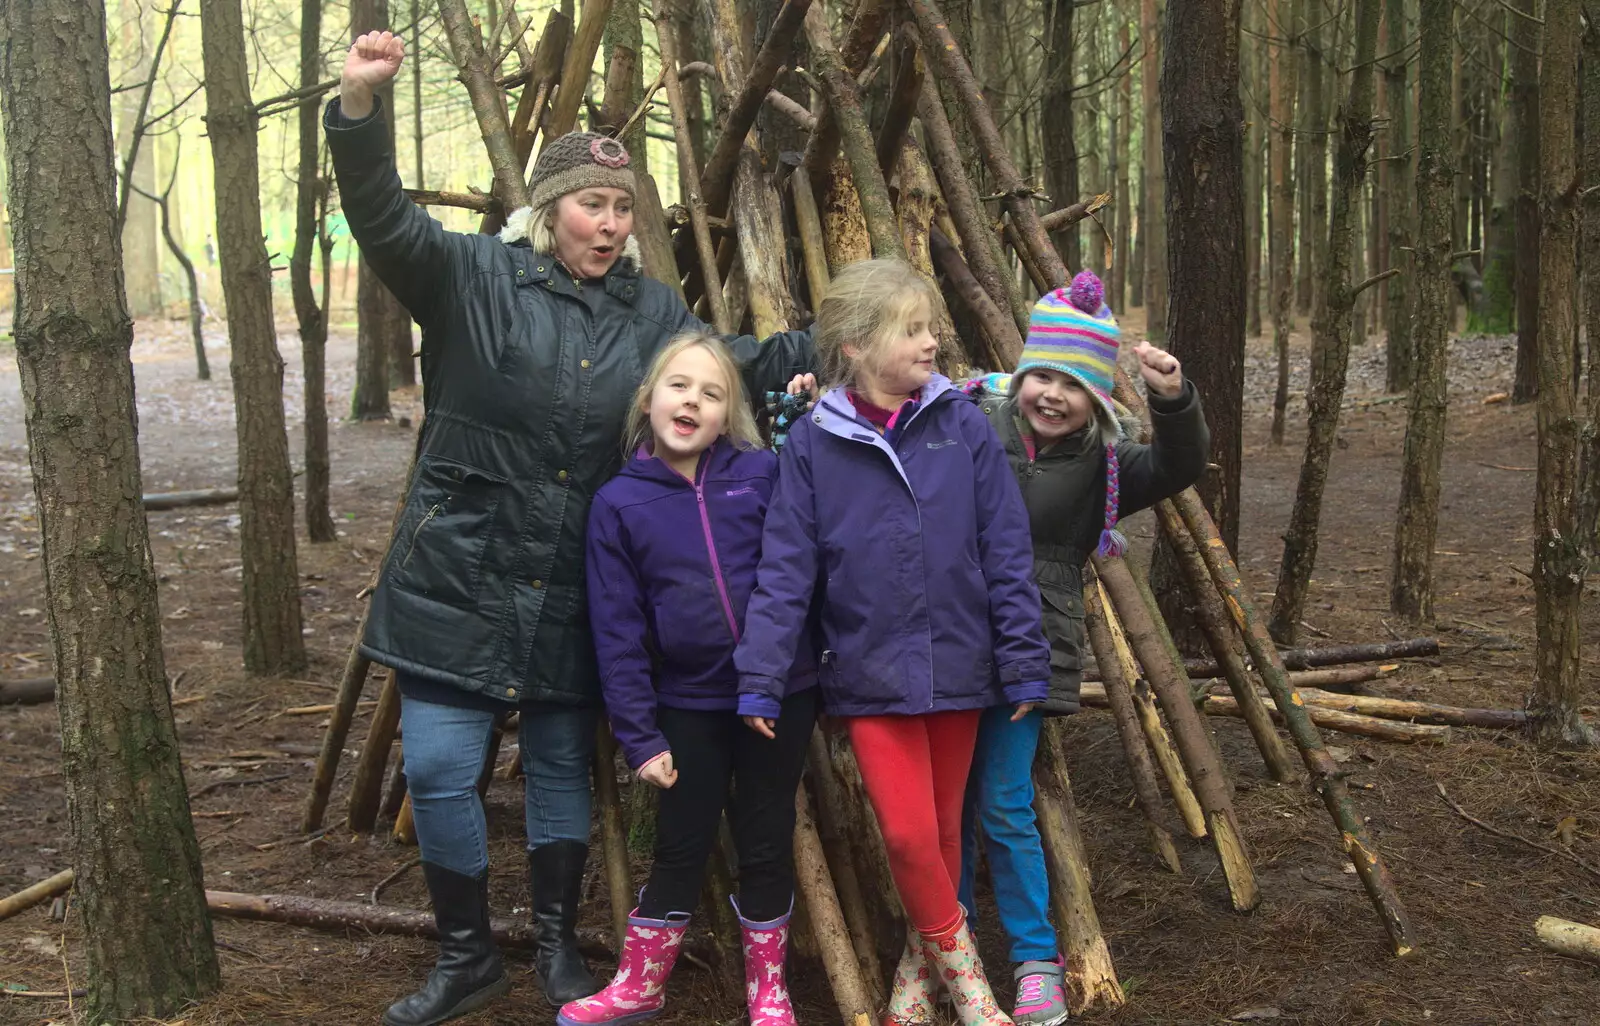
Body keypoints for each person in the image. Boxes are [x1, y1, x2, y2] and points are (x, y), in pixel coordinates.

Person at [326, 31, 817, 1026]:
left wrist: (818, 357)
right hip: (456, 576)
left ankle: (555, 948)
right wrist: (360, 107)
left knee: (557, 768)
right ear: (548, 210)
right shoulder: (467, 277)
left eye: (623, 206)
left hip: (570, 582)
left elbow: (726, 360)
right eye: (591, 204)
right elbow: (379, 218)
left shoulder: (650, 312)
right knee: (439, 766)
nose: (608, 221)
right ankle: (466, 956)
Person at [733, 258, 1052, 1026]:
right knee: (909, 836)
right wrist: (761, 676)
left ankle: (917, 976)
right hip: (870, 672)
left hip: (961, 666)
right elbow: (786, 571)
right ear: (854, 345)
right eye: (911, 330)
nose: (932, 342)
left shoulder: (963, 427)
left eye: (930, 326)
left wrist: (1023, 661)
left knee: (943, 836)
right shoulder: (813, 444)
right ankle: (972, 990)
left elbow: (1006, 552)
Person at [957, 271, 1209, 1025]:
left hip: (1028, 652)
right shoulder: (976, 428)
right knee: (947, 806)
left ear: (1095, 397)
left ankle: (1036, 958)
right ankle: (952, 944)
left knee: (1003, 802)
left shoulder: (1106, 463)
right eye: (1042, 375)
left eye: (1073, 383)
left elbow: (1180, 465)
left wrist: (1171, 396)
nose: (1053, 394)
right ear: (1021, 373)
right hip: (953, 640)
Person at [560, 333, 818, 1026]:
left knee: (766, 837)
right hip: (689, 702)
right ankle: (641, 985)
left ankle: (770, 992)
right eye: (679, 386)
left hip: (780, 695)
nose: (692, 402)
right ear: (648, 399)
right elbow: (616, 631)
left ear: (728, 412)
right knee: (683, 839)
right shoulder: (619, 504)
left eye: (711, 393)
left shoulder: (761, 474)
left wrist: (804, 424)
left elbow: (798, 572)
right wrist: (640, 737)